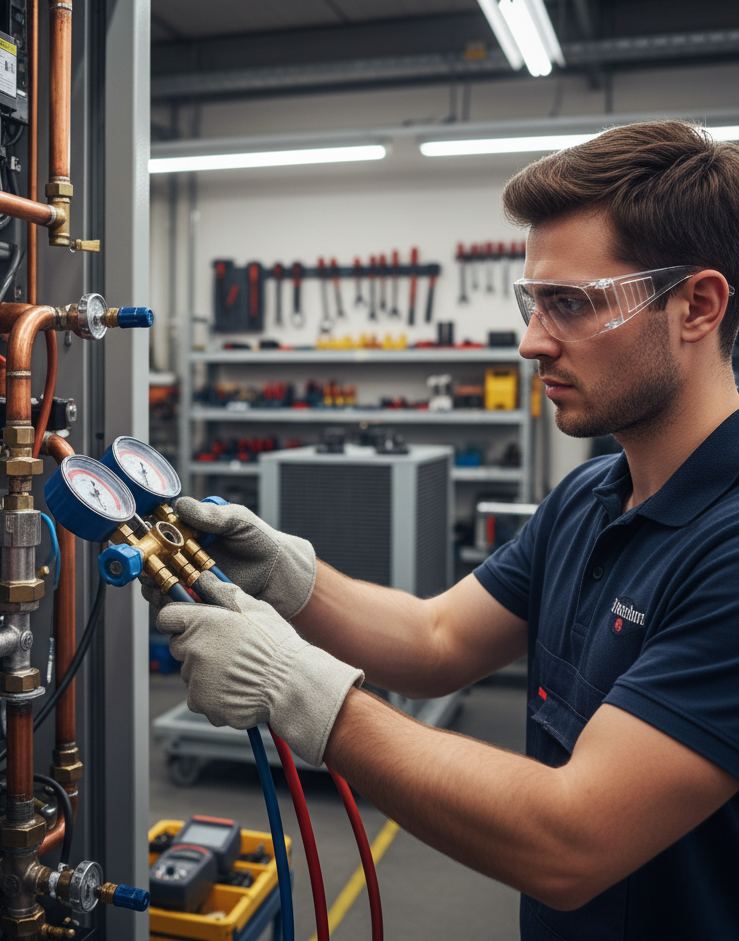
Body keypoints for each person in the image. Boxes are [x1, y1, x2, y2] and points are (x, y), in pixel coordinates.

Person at [150, 121, 739, 939]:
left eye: (572, 304)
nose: (533, 342)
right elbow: (435, 640)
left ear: (697, 307)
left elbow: (570, 839)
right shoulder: (589, 499)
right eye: (534, 303)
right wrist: (290, 576)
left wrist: (301, 691)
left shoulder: (728, 550)